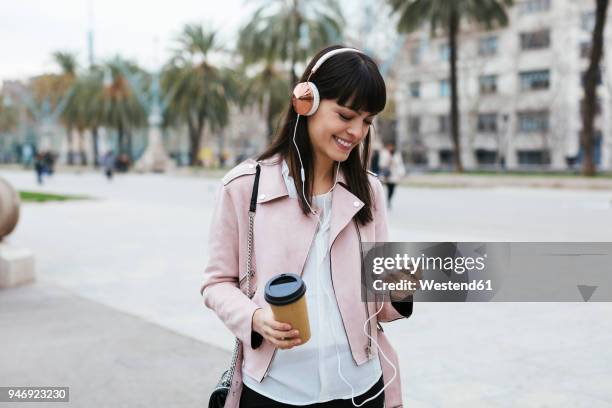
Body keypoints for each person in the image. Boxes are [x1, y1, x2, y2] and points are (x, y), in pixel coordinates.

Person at [200, 45, 413, 408]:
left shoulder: (370, 191)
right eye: (346, 115)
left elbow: (379, 308)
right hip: (275, 391)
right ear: (306, 102)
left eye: (367, 121)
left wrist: (401, 291)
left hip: (363, 389)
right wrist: (254, 318)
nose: (357, 132)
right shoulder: (243, 187)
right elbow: (216, 283)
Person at [378, 142, 405, 210]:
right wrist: (387, 161)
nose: (391, 147)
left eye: (392, 146)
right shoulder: (384, 153)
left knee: (392, 189)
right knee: (382, 189)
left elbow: (399, 163)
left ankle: (389, 201)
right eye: (389, 146)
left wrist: (401, 173)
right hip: (386, 174)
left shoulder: (397, 154)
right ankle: (381, 202)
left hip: (394, 174)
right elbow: (381, 164)